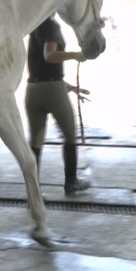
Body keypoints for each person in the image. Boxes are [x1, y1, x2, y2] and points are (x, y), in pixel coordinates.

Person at [25, 16, 91, 195]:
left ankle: (33, 189)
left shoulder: (34, 25)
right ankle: (71, 182)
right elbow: (50, 56)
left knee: (36, 142)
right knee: (70, 135)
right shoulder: (52, 25)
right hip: (53, 90)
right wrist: (76, 55)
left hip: (32, 90)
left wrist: (69, 87)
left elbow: (40, 65)